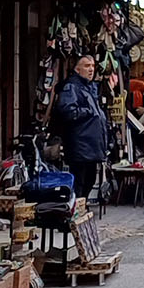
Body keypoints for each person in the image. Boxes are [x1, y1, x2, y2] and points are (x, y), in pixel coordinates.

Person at [53, 55, 109, 198]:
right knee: (80, 179)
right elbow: (68, 111)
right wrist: (89, 111)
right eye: (86, 66)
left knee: (89, 178)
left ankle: (81, 205)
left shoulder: (90, 87)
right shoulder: (72, 86)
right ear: (77, 69)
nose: (91, 69)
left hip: (91, 144)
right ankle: (78, 207)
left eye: (92, 66)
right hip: (80, 143)